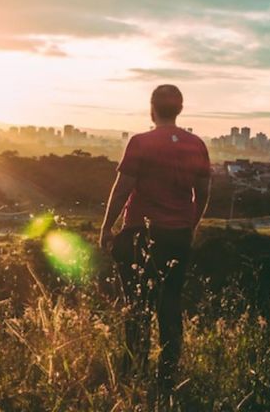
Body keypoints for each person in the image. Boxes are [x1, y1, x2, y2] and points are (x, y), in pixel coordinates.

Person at [99, 84, 211, 401]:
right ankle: (166, 380)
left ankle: (131, 376)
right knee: (170, 305)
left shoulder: (141, 143)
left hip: (138, 234)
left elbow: (122, 190)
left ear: (152, 108)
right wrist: (190, 225)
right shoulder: (196, 145)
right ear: (180, 109)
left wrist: (107, 227)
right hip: (176, 237)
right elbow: (202, 195)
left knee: (137, 307)